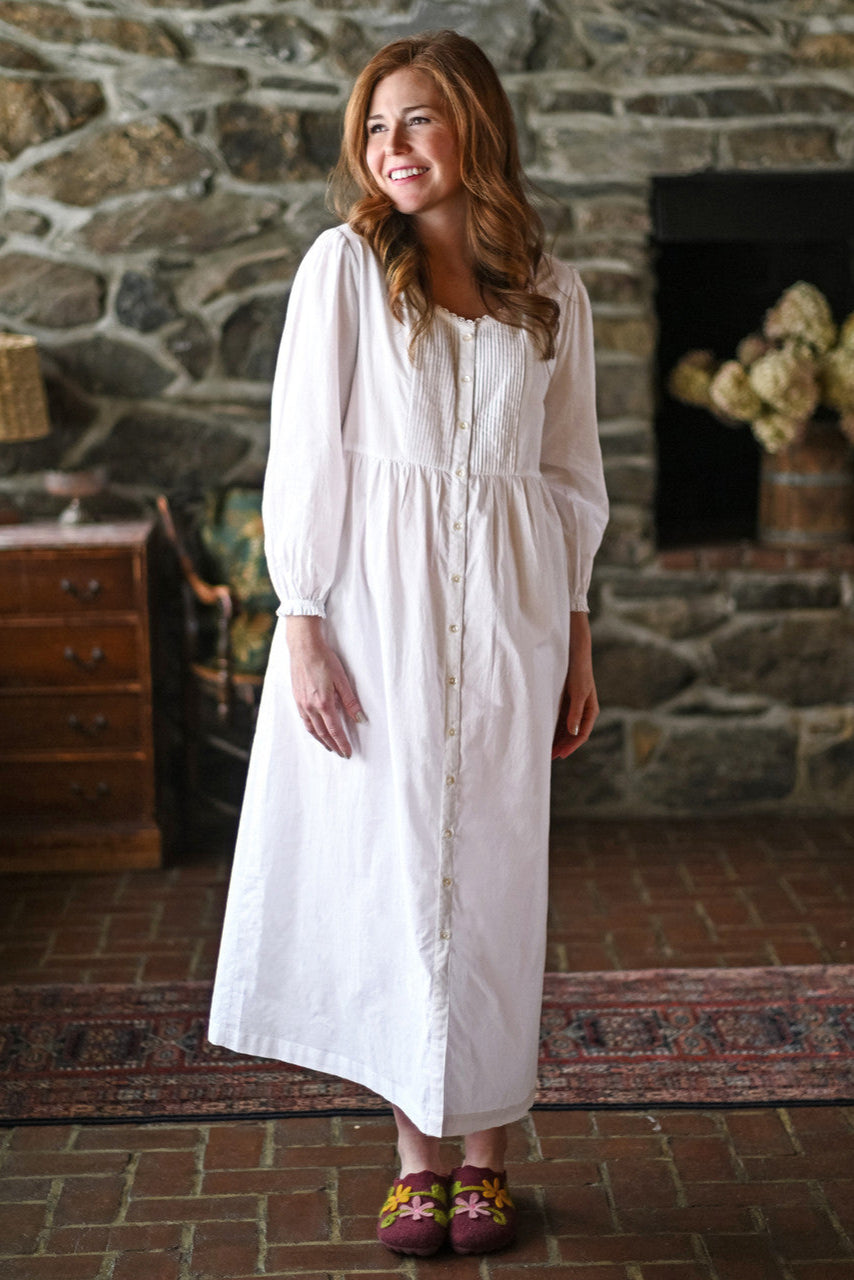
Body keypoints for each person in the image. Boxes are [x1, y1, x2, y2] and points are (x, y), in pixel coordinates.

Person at [207, 28, 609, 1258]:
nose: (392, 149)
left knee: (487, 870)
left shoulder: (550, 285)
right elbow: (306, 455)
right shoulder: (341, 269)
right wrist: (305, 621)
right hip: (374, 610)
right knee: (394, 872)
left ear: (472, 129)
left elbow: (569, 473)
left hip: (514, 612)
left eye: (418, 121)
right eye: (376, 127)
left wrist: (579, 638)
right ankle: (412, 1159)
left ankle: (487, 1154)